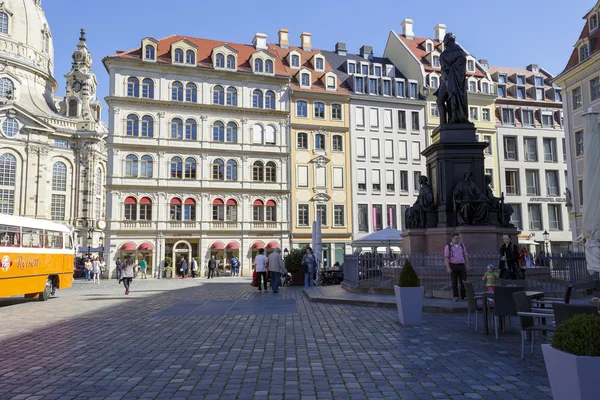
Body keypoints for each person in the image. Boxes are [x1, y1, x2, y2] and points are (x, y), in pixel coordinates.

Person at [444, 233, 469, 302]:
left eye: (458, 238)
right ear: (452, 238)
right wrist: (448, 267)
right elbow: (446, 257)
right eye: (456, 238)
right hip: (453, 265)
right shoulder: (448, 247)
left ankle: (463, 295)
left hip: (461, 265)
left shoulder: (461, 245)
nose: (457, 239)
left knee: (463, 281)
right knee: (454, 282)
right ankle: (455, 296)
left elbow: (465, 255)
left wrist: (467, 265)